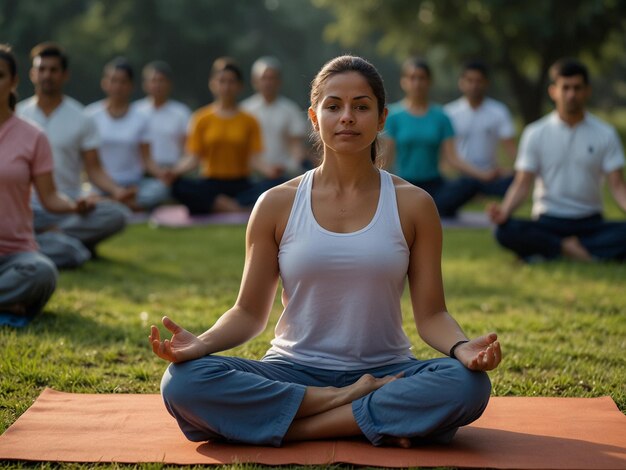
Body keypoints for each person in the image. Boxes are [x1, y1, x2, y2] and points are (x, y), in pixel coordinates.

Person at [150, 55, 502, 448]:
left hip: (387, 369)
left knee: (466, 385)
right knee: (182, 382)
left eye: (361, 106)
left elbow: (432, 314)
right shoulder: (275, 203)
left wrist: (459, 346)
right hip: (293, 370)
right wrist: (203, 342)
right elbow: (249, 313)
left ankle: (295, 425)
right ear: (314, 118)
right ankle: (361, 410)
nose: (347, 117)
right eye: (333, 106)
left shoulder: (414, 204)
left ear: (382, 118)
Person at [488, 58, 626, 262]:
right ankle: (574, 250)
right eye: (565, 88)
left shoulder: (605, 134)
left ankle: (551, 251)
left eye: (577, 88)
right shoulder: (535, 133)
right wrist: (505, 212)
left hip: (590, 221)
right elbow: (522, 183)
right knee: (503, 231)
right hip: (549, 220)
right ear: (553, 91)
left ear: (587, 91)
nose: (571, 94)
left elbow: (617, 186)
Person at [0, 44, 93, 327]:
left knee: (43, 272)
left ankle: (16, 297)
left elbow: (50, 196)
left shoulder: (32, 136)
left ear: (14, 81)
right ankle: (11, 302)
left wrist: (74, 205)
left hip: (14, 254)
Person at [17, 42, 132, 268]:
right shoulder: (18, 116)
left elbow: (94, 169)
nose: (47, 75)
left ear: (65, 75)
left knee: (117, 214)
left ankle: (50, 238)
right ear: (32, 73)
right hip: (27, 208)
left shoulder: (81, 117)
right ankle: (64, 244)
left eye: (53, 70)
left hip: (69, 206)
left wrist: (118, 191)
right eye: (42, 69)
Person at [383, 58, 498, 218]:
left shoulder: (441, 116)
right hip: (404, 184)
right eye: (412, 78)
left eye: (421, 78)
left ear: (429, 82)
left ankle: (427, 208)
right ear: (404, 82)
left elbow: (453, 158)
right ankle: (428, 209)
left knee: (469, 184)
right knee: (403, 198)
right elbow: (386, 157)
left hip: (435, 185)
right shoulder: (393, 116)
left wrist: (482, 175)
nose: (417, 83)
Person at [164, 57, 266, 214]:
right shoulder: (201, 118)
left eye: (231, 82)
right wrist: (174, 172)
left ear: (239, 86)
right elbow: (193, 158)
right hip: (211, 183)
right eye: (222, 81)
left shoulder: (249, 120)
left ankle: (220, 205)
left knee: (276, 184)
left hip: (241, 183)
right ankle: (235, 207)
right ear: (212, 84)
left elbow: (254, 159)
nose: (226, 87)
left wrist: (272, 171)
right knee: (178, 186)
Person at [86, 57, 169, 211]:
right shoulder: (91, 116)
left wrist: (163, 174)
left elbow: (147, 158)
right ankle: (122, 202)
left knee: (160, 189)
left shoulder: (141, 118)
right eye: (113, 81)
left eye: (123, 82)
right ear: (105, 83)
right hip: (102, 183)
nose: (117, 86)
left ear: (131, 85)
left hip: (133, 185)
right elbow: (89, 163)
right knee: (83, 192)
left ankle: (107, 202)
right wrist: (114, 189)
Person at [444, 60, 518, 198]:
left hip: (491, 175)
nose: (474, 85)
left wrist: (517, 170)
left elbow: (510, 148)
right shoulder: (449, 113)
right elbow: (447, 156)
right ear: (461, 82)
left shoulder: (499, 111)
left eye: (479, 81)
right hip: (462, 176)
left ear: (486, 83)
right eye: (470, 80)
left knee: (515, 180)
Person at [241, 56, 308, 183]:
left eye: (272, 78)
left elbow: (296, 145)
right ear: (255, 81)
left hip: (284, 175)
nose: (268, 82)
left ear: (279, 81)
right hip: (250, 177)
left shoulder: (290, 110)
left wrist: (295, 165)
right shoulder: (244, 111)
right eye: (264, 78)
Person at [133, 61, 191, 171]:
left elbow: (187, 149)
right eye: (153, 81)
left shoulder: (181, 113)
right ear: (145, 84)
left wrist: (176, 171)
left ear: (169, 84)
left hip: (172, 171)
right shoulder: (135, 111)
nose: (157, 85)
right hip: (140, 173)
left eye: (161, 81)